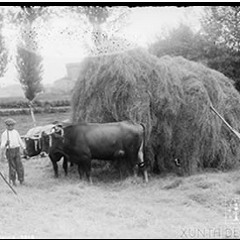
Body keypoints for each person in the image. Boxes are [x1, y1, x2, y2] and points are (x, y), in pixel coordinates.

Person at [0, 118, 26, 186]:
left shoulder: (16, 132)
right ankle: (13, 181)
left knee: (19, 166)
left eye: (12, 125)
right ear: (6, 126)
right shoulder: (5, 134)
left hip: (17, 150)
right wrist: (6, 144)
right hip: (10, 151)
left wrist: (24, 148)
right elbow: (2, 146)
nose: (11, 127)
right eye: (9, 125)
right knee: (12, 166)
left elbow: (20, 141)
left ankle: (21, 180)